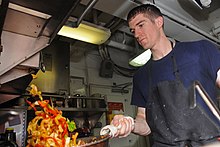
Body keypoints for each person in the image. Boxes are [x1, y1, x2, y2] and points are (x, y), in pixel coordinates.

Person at [111, 3, 220, 147]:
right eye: (133, 30)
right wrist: (130, 125)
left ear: (158, 21)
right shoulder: (141, 76)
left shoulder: (200, 51)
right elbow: (145, 122)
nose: (136, 34)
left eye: (141, 25)